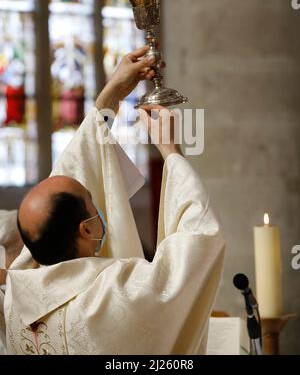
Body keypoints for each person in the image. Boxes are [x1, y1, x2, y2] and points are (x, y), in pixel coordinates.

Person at [1, 46, 225, 355]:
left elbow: (68, 175)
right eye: (94, 203)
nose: (101, 208)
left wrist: (110, 97)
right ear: (88, 229)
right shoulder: (114, 297)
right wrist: (171, 152)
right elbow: (197, 243)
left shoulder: (17, 290)